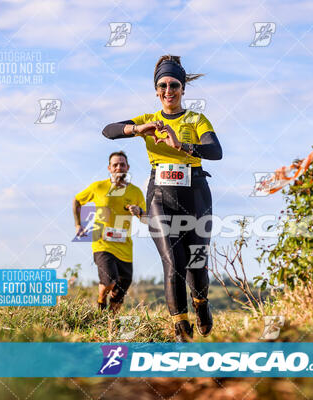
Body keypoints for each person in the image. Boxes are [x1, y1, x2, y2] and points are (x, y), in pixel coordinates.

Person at [101, 55, 223, 342]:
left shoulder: (196, 119)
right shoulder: (148, 120)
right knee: (173, 263)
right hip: (160, 195)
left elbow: (216, 151)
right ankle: (181, 330)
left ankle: (201, 304)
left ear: (183, 88)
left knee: (196, 264)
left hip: (195, 194)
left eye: (174, 85)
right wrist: (137, 129)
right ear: (156, 90)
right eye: (163, 85)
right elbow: (108, 131)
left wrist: (183, 145)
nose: (168, 91)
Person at [73, 151, 146, 314]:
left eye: (122, 164)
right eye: (115, 165)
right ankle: (100, 300)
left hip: (124, 247)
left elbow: (147, 218)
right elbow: (77, 201)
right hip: (102, 243)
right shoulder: (98, 187)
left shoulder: (135, 192)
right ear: (109, 168)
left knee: (120, 290)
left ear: (127, 167)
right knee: (109, 281)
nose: (119, 167)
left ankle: (110, 322)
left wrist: (139, 211)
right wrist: (78, 224)